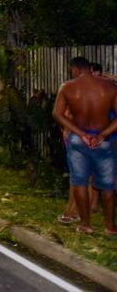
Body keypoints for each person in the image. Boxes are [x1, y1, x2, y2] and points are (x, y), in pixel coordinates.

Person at [53, 56, 117, 235]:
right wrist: (103, 134)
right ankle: (110, 227)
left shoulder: (67, 87)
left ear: (74, 69)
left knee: (80, 182)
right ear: (90, 68)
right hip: (103, 141)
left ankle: (86, 225)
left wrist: (81, 133)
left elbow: (57, 115)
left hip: (78, 141)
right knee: (108, 185)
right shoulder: (109, 87)